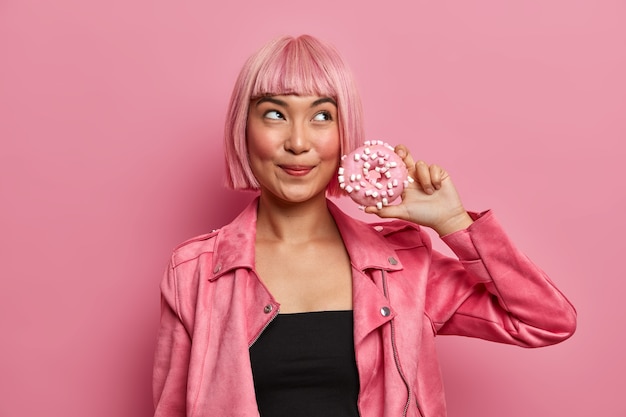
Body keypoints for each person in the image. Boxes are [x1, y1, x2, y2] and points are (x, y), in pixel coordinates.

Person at [152, 35, 576, 417]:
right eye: (275, 114)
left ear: (345, 134)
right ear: (244, 131)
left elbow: (546, 321)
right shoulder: (195, 273)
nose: (298, 142)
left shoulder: (406, 267)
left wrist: (453, 223)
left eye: (321, 117)